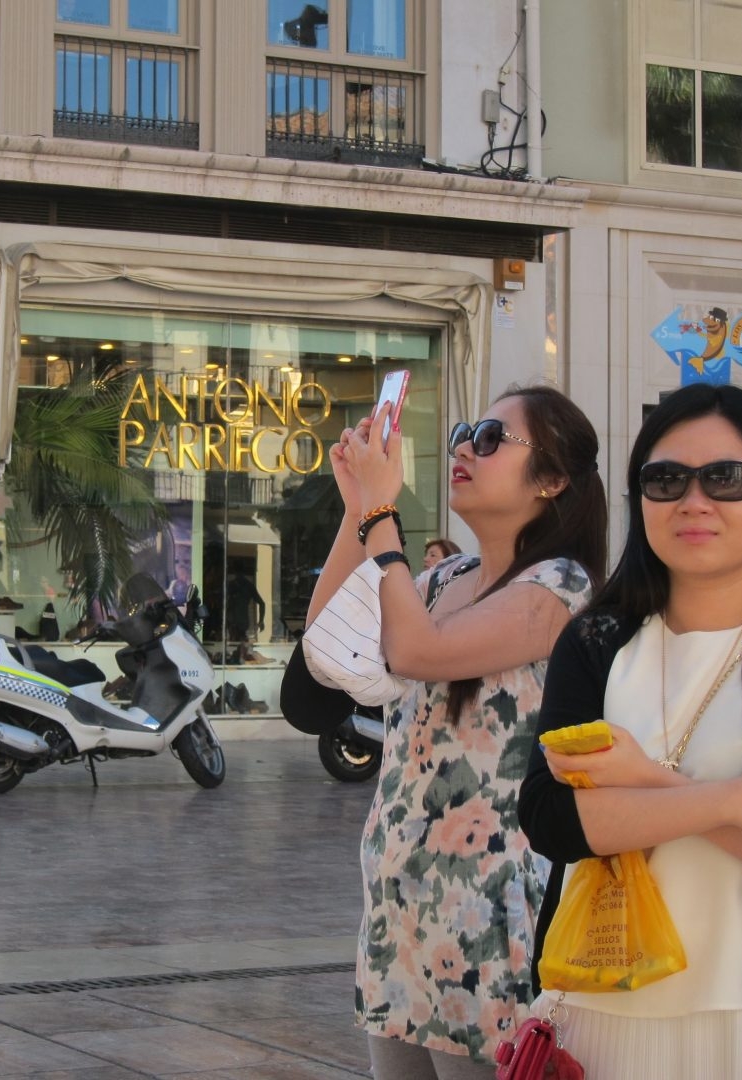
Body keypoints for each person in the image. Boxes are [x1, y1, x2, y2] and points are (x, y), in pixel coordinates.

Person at [519, 384, 742, 1080]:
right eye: (666, 479)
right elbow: (554, 821)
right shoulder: (595, 640)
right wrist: (738, 802)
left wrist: (644, 783)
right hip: (595, 1011)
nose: (694, 500)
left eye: (727, 479)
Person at [295, 385, 607, 1076]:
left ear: (553, 479)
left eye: (493, 438)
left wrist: (382, 511)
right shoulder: (444, 578)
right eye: (467, 430)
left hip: (491, 913)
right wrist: (357, 507)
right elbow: (329, 644)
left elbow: (417, 655)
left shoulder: (562, 589)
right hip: (400, 901)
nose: (466, 446)